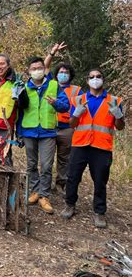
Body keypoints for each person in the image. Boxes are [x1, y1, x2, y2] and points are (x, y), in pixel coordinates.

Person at [61, 68, 125, 228]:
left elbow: (120, 126)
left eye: (98, 76)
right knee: (73, 177)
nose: (95, 79)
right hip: (80, 144)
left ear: (103, 79)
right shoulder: (78, 99)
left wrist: (118, 115)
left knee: (100, 181)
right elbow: (72, 124)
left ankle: (99, 212)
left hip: (102, 147)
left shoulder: (114, 100)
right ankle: (70, 205)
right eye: (92, 77)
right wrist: (76, 113)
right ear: (87, 80)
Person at [18, 57, 69, 214]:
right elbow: (20, 112)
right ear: (29, 71)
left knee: (46, 165)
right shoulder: (24, 87)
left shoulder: (54, 86)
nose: (37, 71)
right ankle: (35, 191)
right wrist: (19, 133)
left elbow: (65, 106)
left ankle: (44, 196)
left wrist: (55, 103)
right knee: (31, 164)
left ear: (44, 69)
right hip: (29, 130)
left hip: (47, 131)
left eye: (39, 68)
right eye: (33, 69)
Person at [52, 62, 82, 193]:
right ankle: (44, 185)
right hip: (50, 127)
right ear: (56, 74)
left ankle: (60, 184)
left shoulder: (77, 90)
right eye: (60, 72)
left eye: (66, 72)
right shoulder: (51, 86)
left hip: (67, 128)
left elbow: (82, 109)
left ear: (70, 75)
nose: (63, 75)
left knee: (64, 158)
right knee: (46, 158)